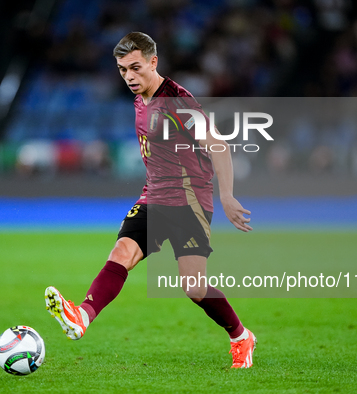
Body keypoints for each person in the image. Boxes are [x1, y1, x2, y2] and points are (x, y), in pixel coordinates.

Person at [45, 32, 256, 368]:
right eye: (122, 69)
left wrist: (227, 196)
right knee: (121, 252)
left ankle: (241, 336)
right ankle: (82, 316)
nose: (129, 76)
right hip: (153, 195)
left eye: (135, 68)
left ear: (153, 62)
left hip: (189, 199)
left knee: (194, 287)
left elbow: (219, 144)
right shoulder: (140, 97)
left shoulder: (177, 101)